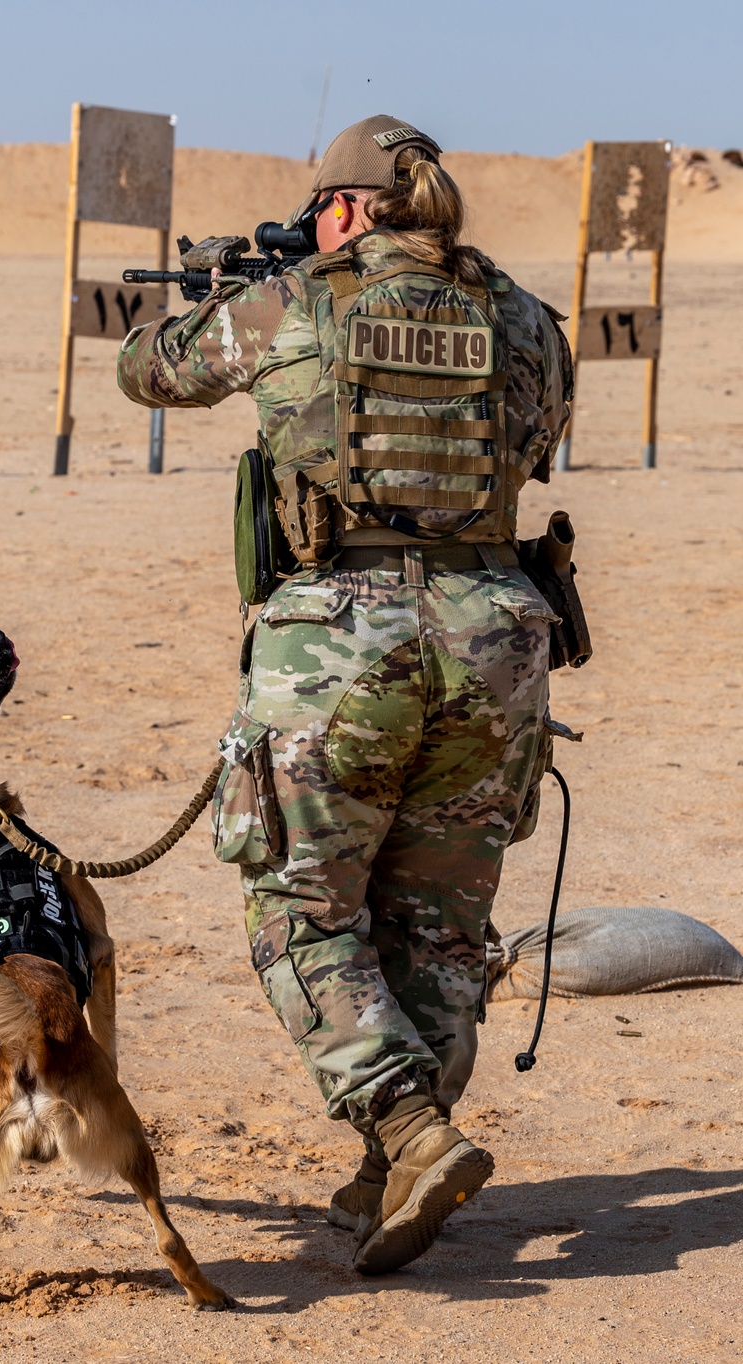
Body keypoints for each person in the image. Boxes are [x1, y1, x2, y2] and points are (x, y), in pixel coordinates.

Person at [116, 114, 572, 1275]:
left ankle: (410, 1126)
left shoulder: (293, 303)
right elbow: (540, 434)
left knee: (300, 909)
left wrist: (236, 291)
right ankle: (390, 1174)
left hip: (341, 645)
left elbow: (149, 370)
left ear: (354, 208)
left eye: (326, 209)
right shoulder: (525, 317)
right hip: (496, 642)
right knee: (440, 925)